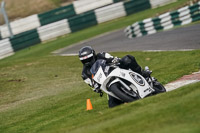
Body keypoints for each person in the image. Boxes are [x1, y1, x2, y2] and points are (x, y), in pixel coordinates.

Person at [79, 46, 148, 108]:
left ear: (93, 55)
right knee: (112, 106)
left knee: (128, 59)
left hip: (116, 70)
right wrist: (96, 88)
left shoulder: (101, 55)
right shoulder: (85, 74)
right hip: (107, 83)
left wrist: (114, 60)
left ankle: (142, 74)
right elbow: (91, 85)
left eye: (89, 59)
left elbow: (111, 58)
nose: (87, 62)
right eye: (84, 60)